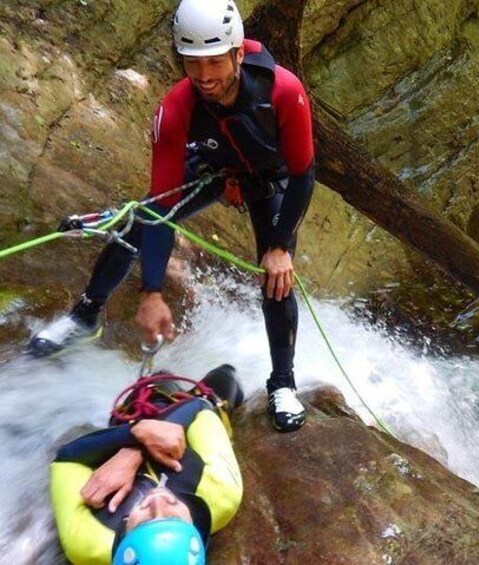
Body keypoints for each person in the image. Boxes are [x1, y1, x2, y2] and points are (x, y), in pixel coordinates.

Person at [28, 0, 313, 432]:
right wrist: (152, 292)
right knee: (135, 224)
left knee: (276, 276)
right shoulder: (176, 107)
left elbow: (304, 173)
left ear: (238, 53)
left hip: (270, 180)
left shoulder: (282, 90)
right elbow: (161, 206)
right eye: (192, 63)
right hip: (213, 168)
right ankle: (86, 315)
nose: (204, 77)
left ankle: (282, 382)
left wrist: (278, 246)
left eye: (215, 61)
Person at [50, 364, 244, 564]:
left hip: (130, 418)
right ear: (194, 527)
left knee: (160, 377)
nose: (158, 501)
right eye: (173, 519)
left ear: (122, 539)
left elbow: (65, 459)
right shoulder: (221, 492)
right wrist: (139, 448)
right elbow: (199, 408)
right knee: (226, 375)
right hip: (180, 407)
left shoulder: (88, 541)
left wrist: (133, 436)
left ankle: (160, 378)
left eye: (144, 523)